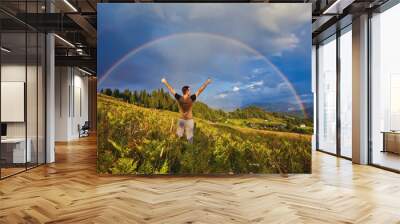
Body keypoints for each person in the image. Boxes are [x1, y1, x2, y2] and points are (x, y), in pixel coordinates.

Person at [161, 77, 212, 143]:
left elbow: (171, 90)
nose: (190, 91)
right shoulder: (191, 98)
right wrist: (207, 82)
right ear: (187, 91)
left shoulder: (179, 98)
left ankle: (179, 148)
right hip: (189, 120)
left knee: (179, 137)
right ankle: (189, 151)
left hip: (181, 120)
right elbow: (200, 90)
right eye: (189, 90)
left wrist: (165, 82)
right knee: (190, 139)